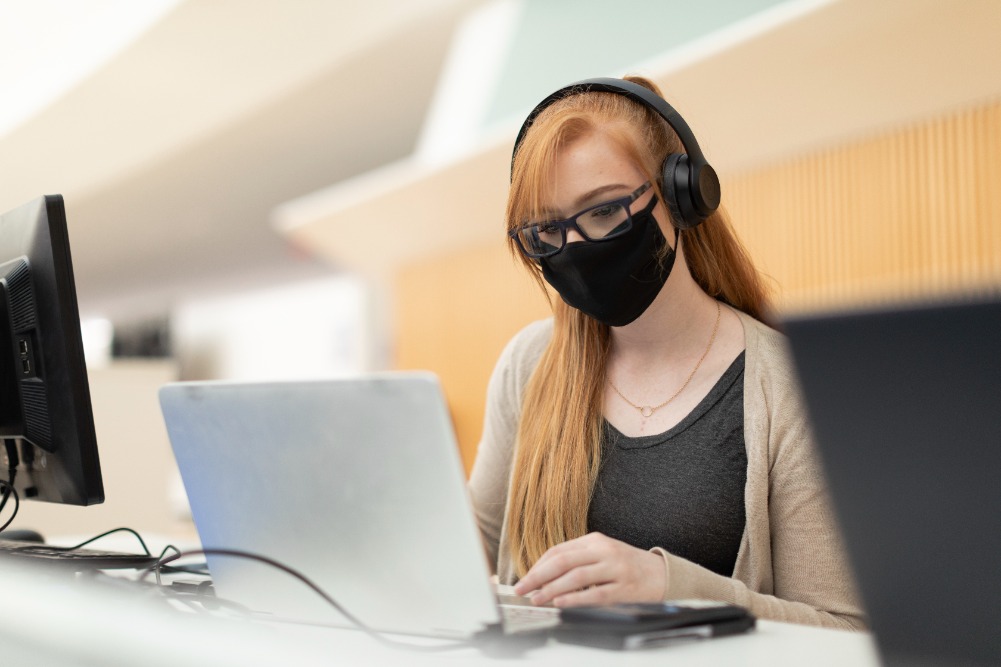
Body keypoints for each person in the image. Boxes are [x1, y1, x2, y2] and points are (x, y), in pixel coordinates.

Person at [467, 75, 866, 630]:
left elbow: (844, 632)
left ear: (682, 196)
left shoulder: (787, 384)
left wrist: (669, 588)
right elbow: (465, 559)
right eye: (546, 232)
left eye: (604, 211)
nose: (576, 249)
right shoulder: (528, 364)